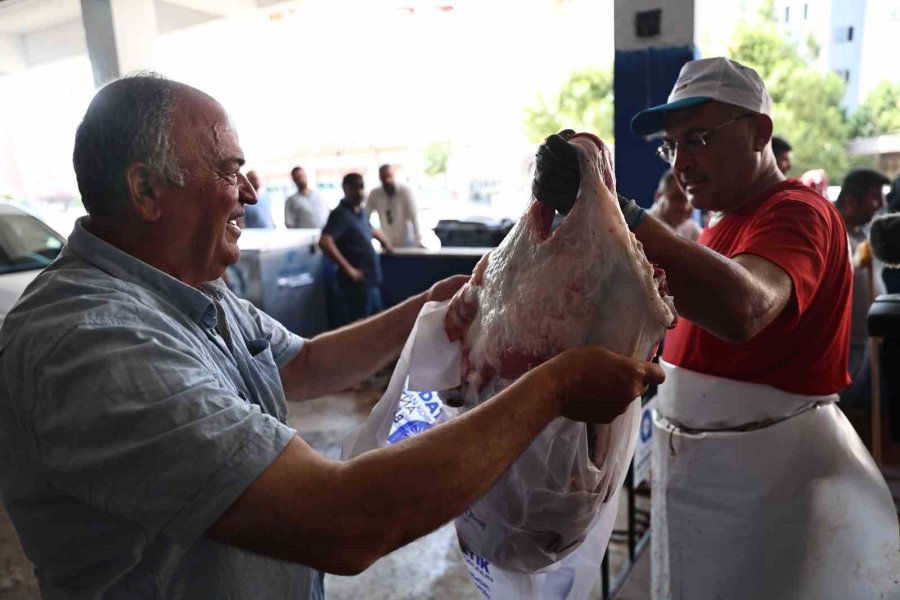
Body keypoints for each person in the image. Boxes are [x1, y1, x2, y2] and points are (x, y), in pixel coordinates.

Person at [0, 74, 664, 600]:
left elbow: (306, 365)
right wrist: (553, 388)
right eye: (229, 170)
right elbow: (341, 522)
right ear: (147, 189)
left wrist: (429, 308)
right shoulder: (93, 347)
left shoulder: (191, 289)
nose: (250, 191)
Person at [532, 57, 898, 600]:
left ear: (759, 133)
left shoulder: (797, 212)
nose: (682, 162)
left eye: (698, 138)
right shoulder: (719, 226)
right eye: (672, 146)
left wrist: (623, 217)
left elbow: (743, 309)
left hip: (770, 477)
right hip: (705, 470)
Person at [835, 168, 889, 407]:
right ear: (849, 201)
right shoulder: (833, 234)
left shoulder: (864, 233)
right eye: (875, 197)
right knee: (842, 406)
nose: (881, 204)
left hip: (865, 338)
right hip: (844, 344)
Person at [319, 173, 393, 325]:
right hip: (356, 286)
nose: (359, 192)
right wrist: (348, 269)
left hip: (371, 281)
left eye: (361, 187)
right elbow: (325, 241)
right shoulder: (340, 214)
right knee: (362, 328)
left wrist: (385, 242)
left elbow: (369, 229)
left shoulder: (360, 212)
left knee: (378, 325)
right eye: (354, 188)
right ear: (345, 189)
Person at [366, 164, 423, 247]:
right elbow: (365, 216)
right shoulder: (375, 194)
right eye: (383, 177)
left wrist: (418, 241)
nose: (387, 180)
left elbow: (414, 217)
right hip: (387, 243)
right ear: (380, 178)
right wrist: (375, 235)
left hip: (406, 241)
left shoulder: (405, 192)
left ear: (394, 175)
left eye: (389, 176)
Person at [646, 169, 701, 241]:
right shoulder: (643, 224)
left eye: (687, 200)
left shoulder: (690, 227)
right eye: (676, 198)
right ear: (658, 197)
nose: (684, 207)